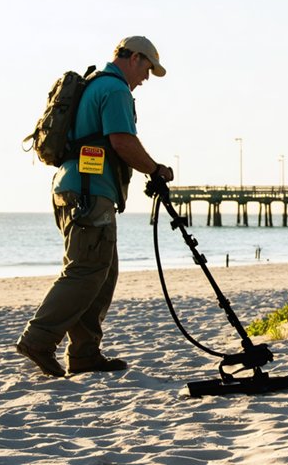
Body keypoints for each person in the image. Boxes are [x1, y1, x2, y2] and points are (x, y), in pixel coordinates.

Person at [16, 36, 175, 377]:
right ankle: (38, 339)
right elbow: (122, 141)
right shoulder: (115, 90)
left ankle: (85, 353)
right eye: (147, 68)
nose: (146, 78)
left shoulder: (93, 85)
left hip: (73, 187)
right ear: (133, 58)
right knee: (86, 270)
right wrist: (156, 169)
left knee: (101, 272)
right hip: (89, 192)